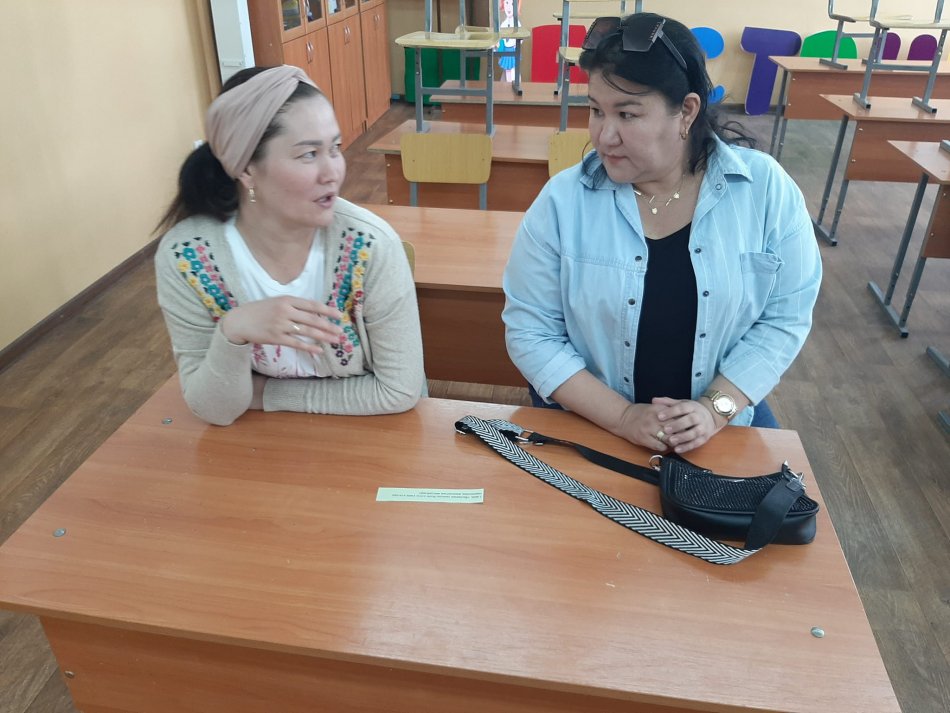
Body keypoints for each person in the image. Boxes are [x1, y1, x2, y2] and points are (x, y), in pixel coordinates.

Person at [502, 13, 821, 454]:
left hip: (724, 415)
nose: (604, 136)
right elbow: (531, 332)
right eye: (595, 110)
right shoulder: (562, 201)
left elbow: (786, 316)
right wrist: (623, 417)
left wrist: (715, 408)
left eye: (627, 114)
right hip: (591, 418)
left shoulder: (765, 189)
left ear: (686, 111)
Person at [154, 65, 425, 426]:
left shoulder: (368, 246)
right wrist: (233, 332)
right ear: (246, 169)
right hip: (259, 442)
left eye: (335, 148)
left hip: (375, 432)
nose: (332, 173)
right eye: (308, 154)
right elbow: (213, 409)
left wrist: (265, 394)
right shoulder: (188, 257)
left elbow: (398, 391)